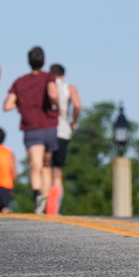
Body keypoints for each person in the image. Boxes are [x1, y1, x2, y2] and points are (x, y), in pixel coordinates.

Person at [2, 47, 59, 215]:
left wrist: (22, 105)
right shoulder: (49, 77)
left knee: (35, 164)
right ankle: (47, 198)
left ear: (28, 62)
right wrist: (57, 106)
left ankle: (38, 195)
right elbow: (53, 93)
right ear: (44, 61)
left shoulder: (20, 82)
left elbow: (7, 105)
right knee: (46, 166)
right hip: (49, 125)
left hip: (31, 128)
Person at [46, 63, 82, 216]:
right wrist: (73, 122)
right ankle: (55, 206)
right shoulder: (70, 88)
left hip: (47, 129)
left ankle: (44, 199)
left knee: (45, 167)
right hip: (63, 131)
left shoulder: (47, 86)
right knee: (58, 170)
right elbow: (78, 105)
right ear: (63, 76)